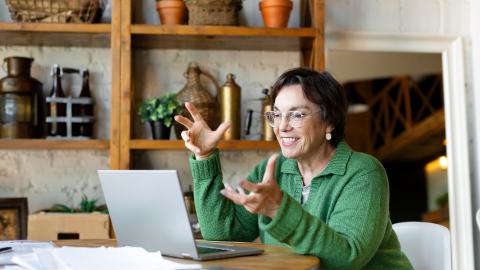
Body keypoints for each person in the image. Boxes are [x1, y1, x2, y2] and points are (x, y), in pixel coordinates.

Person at [174, 67, 413, 269]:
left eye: (297, 115)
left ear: (329, 120)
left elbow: (347, 259)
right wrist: (204, 157)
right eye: (277, 115)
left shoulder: (363, 172)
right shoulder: (272, 170)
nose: (282, 127)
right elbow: (221, 233)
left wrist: (279, 211)